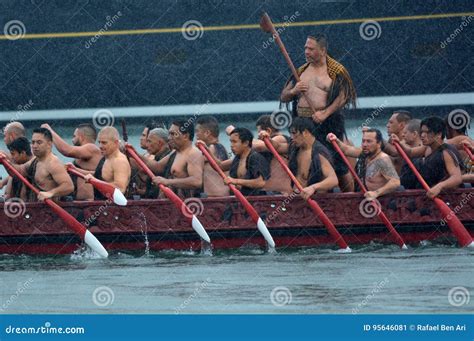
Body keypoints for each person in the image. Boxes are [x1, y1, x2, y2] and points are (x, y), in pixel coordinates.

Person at [280, 34, 357, 192]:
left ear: (322, 50)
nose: (306, 52)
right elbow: (284, 96)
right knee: (303, 160)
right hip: (303, 124)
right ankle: (309, 194)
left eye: (311, 49)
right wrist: (294, 90)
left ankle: (350, 197)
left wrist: (326, 113)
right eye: (305, 48)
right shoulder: (301, 70)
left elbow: (345, 95)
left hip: (327, 123)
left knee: (337, 162)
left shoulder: (336, 70)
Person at [391, 116, 463, 198]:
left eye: (427, 132)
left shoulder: (446, 152)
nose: (422, 135)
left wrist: (439, 186)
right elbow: (410, 152)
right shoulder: (427, 147)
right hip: (426, 194)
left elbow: (457, 178)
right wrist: (399, 143)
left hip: (445, 197)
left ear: (439, 134)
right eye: (421, 132)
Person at [0, 128, 74, 201]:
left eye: (39, 142)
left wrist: (50, 193)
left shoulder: (53, 163)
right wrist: (5, 161)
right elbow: (18, 172)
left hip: (48, 211)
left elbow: (69, 186)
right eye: (33, 142)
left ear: (49, 144)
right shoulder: (35, 160)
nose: (34, 146)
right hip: (35, 209)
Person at [328, 129, 400, 200]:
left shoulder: (382, 160)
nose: (365, 144)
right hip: (363, 198)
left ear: (379, 144)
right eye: (363, 141)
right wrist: (336, 140)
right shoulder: (365, 153)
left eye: (369, 141)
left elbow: (395, 182)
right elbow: (346, 150)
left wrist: (376, 193)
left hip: (379, 201)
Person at [140, 120, 203, 198]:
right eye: (169, 134)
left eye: (173, 134)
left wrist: (167, 181)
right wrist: (133, 154)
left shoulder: (193, 154)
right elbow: (157, 166)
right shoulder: (175, 152)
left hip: (185, 205)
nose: (169, 138)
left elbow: (197, 181)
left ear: (185, 136)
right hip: (169, 206)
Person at [41, 123, 101, 200]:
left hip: (90, 204)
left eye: (74, 136)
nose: (72, 140)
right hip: (78, 203)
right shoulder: (83, 153)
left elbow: (66, 150)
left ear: (81, 137)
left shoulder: (91, 148)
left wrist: (49, 131)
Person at [288, 118, 338, 200]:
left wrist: (313, 188)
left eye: (294, 133)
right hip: (296, 201)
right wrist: (267, 138)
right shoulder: (294, 147)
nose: (292, 137)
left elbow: (333, 180)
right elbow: (277, 146)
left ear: (305, 132)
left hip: (316, 202)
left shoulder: (319, 152)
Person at [79, 127, 131, 200]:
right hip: (101, 205)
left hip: (113, 209)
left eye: (104, 143)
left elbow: (120, 189)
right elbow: (99, 175)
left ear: (115, 143)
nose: (100, 146)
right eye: (99, 142)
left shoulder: (119, 161)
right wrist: (74, 169)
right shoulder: (107, 157)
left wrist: (95, 181)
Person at [252, 115, 293, 194]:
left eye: (259, 133)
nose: (258, 137)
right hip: (270, 193)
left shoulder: (281, 138)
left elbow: (259, 146)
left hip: (282, 193)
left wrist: (241, 136)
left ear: (268, 131)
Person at [225, 127, 270, 196]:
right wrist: (207, 150)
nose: (231, 145)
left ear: (246, 143)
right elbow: (220, 166)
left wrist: (236, 181)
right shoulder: (237, 159)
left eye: (234, 142)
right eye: (230, 142)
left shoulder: (255, 157)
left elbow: (260, 183)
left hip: (257, 202)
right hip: (239, 201)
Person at [195, 115, 230, 197]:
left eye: (197, 131)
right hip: (224, 197)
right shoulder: (222, 147)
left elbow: (190, 160)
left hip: (214, 198)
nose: (196, 134)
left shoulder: (211, 148)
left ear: (207, 133)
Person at [142, 128, 170, 198]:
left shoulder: (169, 157)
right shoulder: (158, 158)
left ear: (160, 143)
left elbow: (157, 168)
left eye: (149, 141)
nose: (146, 145)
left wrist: (134, 153)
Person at [0, 122, 26, 190]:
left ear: (12, 136)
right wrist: (2, 182)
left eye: (5, 136)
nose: (4, 139)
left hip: (22, 200)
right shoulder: (19, 154)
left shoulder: (26, 155)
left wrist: (4, 159)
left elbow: (21, 173)